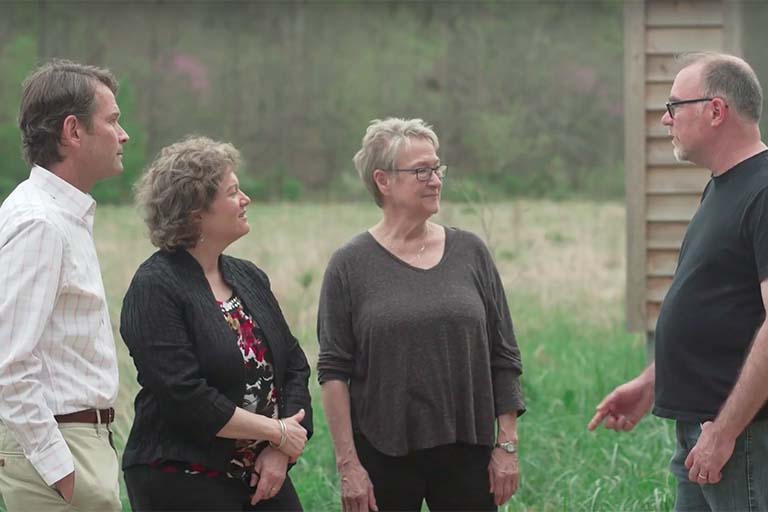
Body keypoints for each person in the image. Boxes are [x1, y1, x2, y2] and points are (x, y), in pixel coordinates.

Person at [588, 52, 768, 511]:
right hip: (702, 433)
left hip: (743, 439)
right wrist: (654, 381)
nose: (665, 121)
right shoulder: (724, 185)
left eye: (674, 106)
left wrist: (725, 432)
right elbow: (723, 308)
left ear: (715, 110)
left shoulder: (764, 191)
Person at [317, 118, 525, 512]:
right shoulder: (349, 265)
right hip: (383, 456)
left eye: (437, 168)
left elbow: (504, 355)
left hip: (469, 453)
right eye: (421, 171)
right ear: (383, 181)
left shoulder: (471, 252)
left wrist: (507, 445)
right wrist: (349, 466)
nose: (435, 180)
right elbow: (333, 371)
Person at [120, 136, 312, 511]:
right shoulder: (154, 287)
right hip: (183, 476)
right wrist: (276, 432)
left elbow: (294, 365)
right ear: (196, 211)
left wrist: (280, 451)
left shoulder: (248, 277)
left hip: (261, 472)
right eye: (233, 192)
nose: (246, 200)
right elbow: (184, 396)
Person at [0, 59, 129, 511]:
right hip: (58, 451)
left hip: (77, 445)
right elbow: (8, 363)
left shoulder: (58, 215)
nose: (123, 134)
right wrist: (64, 472)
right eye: (112, 121)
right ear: (73, 131)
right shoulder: (41, 223)